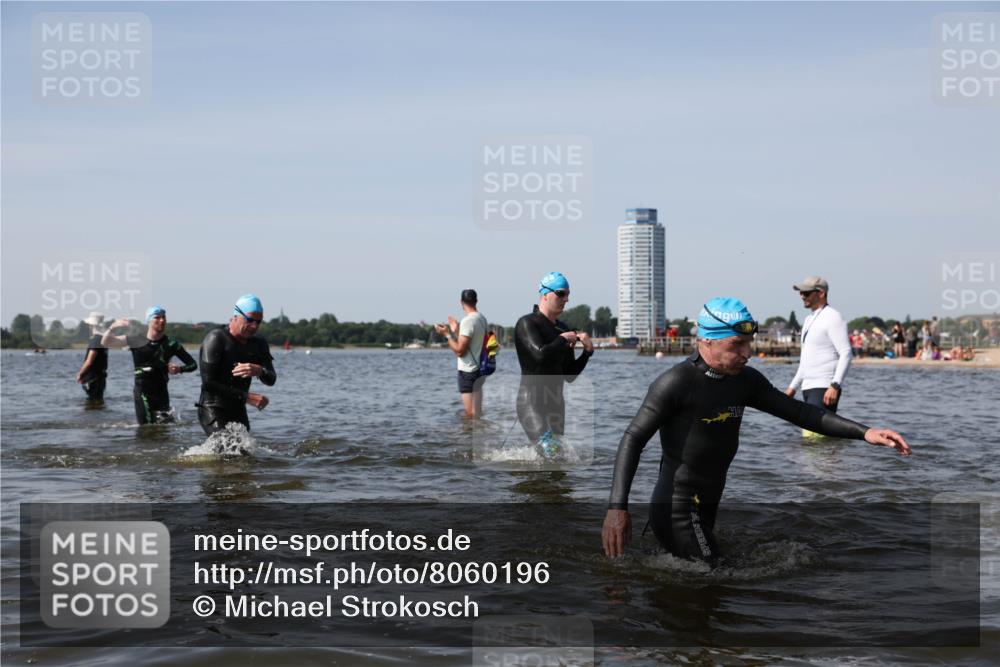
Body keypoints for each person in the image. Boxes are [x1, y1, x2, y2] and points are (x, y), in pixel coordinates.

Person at [601, 297, 911, 566]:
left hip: (706, 504)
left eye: (748, 344)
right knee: (714, 576)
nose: (747, 353)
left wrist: (866, 432)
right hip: (675, 506)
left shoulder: (745, 381)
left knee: (698, 585)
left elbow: (801, 413)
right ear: (706, 340)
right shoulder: (676, 382)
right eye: (736, 345)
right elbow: (633, 439)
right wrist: (617, 509)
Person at [514, 272, 593, 455]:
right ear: (545, 294)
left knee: (559, 458)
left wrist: (587, 353)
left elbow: (570, 375)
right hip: (531, 403)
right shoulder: (527, 323)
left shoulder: (563, 329)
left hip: (556, 403)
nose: (566, 299)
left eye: (567, 294)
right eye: (561, 294)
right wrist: (561, 340)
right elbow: (539, 356)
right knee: (549, 453)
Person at [197, 294, 276, 437]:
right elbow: (208, 383)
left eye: (259, 322)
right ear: (236, 316)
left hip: (238, 410)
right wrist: (248, 397)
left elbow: (271, 379)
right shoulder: (216, 339)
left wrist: (261, 371)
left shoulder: (259, 343)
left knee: (244, 455)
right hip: (213, 408)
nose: (254, 326)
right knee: (227, 451)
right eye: (250, 320)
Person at [102, 306, 198, 424]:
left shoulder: (171, 344)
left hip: (162, 392)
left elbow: (193, 365)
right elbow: (105, 342)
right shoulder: (135, 340)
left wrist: (180, 369)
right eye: (157, 317)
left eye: (163, 317)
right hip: (143, 393)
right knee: (146, 429)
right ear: (149, 320)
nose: (162, 320)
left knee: (164, 428)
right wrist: (113, 327)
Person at [784, 276, 852, 414]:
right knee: (809, 435)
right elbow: (805, 361)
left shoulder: (833, 317)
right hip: (807, 388)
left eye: (806, 293)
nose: (802, 296)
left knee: (814, 435)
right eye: (801, 293)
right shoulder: (808, 319)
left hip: (824, 388)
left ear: (821, 293)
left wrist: (835, 385)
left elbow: (846, 353)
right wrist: (792, 388)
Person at [435, 289, 488, 418]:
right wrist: (457, 330)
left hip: (468, 371)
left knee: (470, 415)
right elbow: (471, 342)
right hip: (480, 369)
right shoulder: (482, 318)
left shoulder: (468, 321)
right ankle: (479, 436)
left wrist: (447, 334)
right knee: (477, 413)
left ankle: (468, 436)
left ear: (461, 302)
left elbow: (460, 351)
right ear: (476, 301)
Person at [75, 311, 108, 405]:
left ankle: (94, 418)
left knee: (93, 402)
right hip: (100, 377)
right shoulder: (103, 339)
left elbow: (89, 361)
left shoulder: (95, 340)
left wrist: (80, 373)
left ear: (92, 325)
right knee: (98, 401)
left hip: (93, 378)